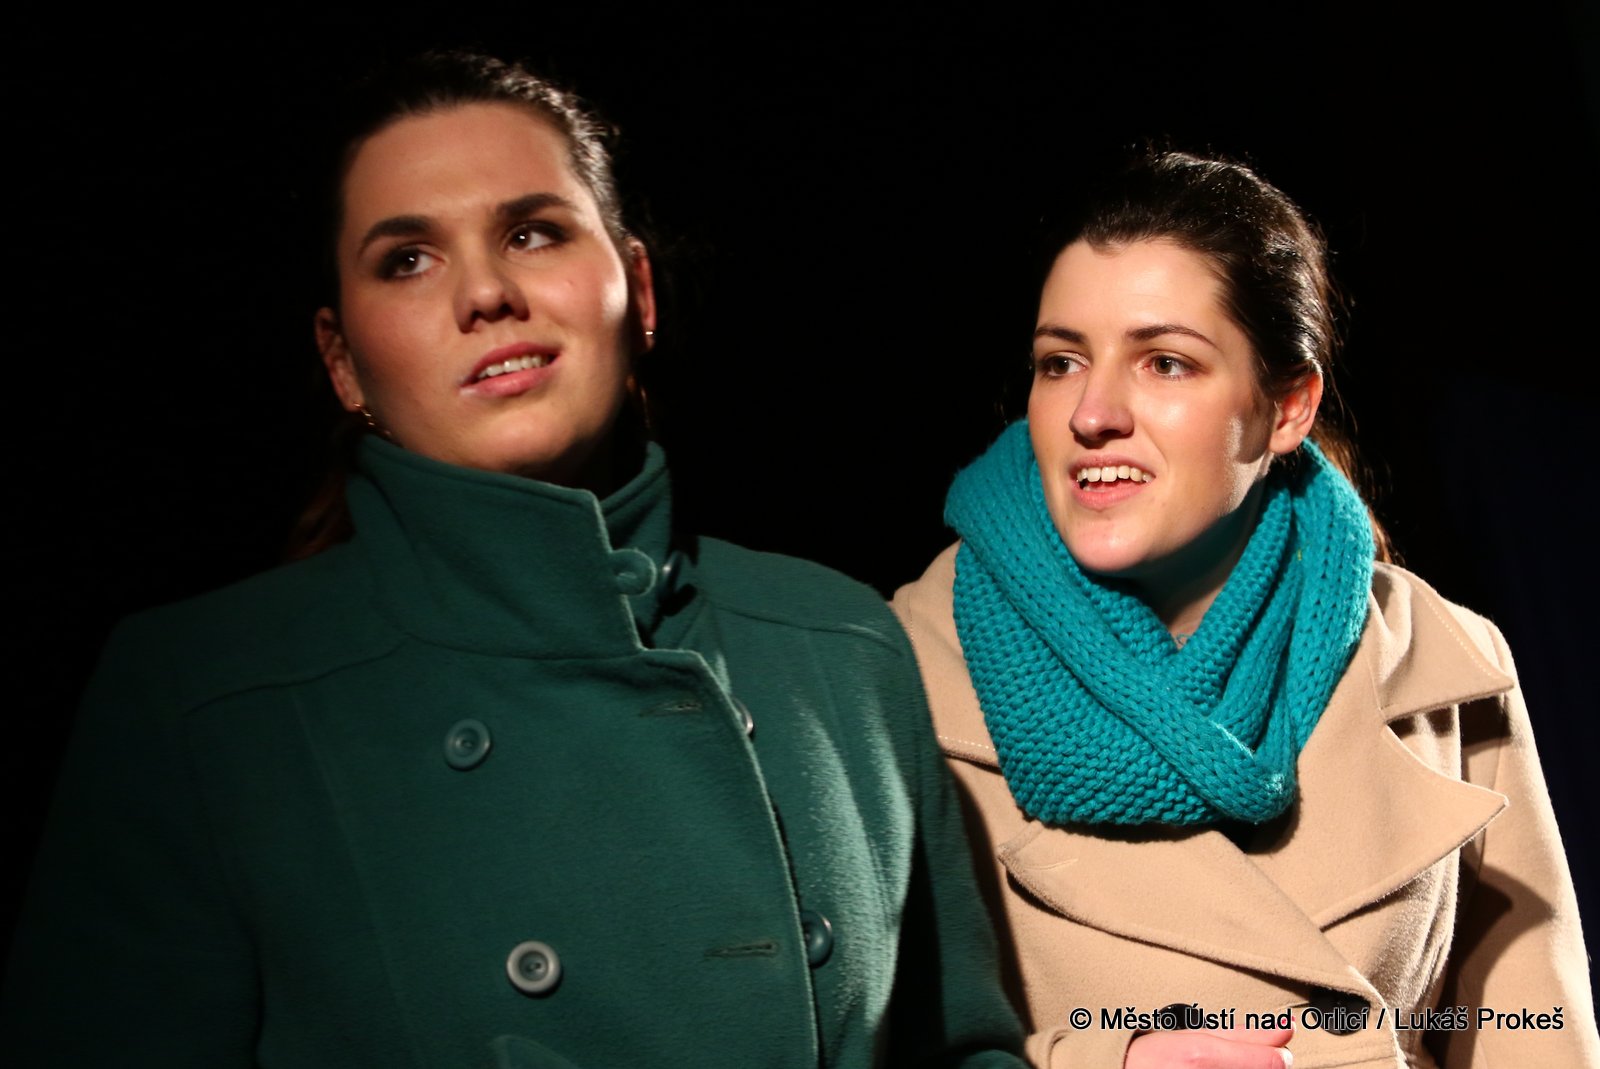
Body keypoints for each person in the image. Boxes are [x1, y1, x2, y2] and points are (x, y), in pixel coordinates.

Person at [1, 51, 1025, 1069]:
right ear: (343, 361)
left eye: (532, 233)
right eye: (408, 259)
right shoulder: (198, 696)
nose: (487, 293)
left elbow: (963, 1050)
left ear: (639, 290)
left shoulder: (839, 642)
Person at [890, 151, 1597, 1068]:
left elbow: (1529, 1033)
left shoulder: (1443, 657)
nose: (1092, 413)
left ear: (1287, 407)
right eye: (1061, 361)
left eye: (1165, 362)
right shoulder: (899, 675)